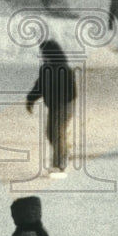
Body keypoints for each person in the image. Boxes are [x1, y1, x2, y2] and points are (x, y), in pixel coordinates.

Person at [26, 39, 76, 177]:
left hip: (65, 105)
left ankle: (59, 165)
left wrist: (60, 102)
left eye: (45, 53)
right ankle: (64, 152)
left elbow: (72, 91)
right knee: (50, 133)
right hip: (54, 106)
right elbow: (39, 86)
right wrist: (30, 99)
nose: (43, 56)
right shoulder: (45, 68)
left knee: (57, 133)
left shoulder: (64, 69)